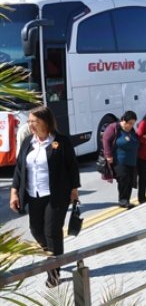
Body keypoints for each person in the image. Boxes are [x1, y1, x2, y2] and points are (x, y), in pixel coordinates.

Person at [9, 105, 80, 288]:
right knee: (35, 230)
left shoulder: (60, 142)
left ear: (45, 122)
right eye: (30, 121)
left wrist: (74, 189)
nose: (30, 125)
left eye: (34, 121)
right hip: (34, 195)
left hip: (56, 195)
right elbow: (19, 169)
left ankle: (53, 273)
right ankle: (54, 256)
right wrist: (14, 191)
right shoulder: (27, 142)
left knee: (52, 231)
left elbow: (72, 166)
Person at [102, 110, 139, 209]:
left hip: (131, 160)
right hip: (119, 160)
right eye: (130, 123)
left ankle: (127, 200)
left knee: (130, 180)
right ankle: (123, 200)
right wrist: (108, 155)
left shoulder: (131, 130)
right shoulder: (114, 128)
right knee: (123, 179)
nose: (131, 125)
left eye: (133, 123)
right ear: (124, 120)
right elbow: (106, 140)